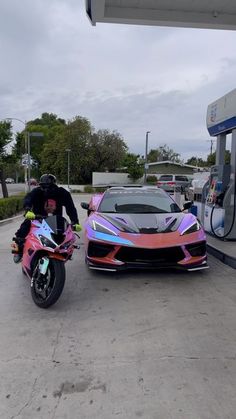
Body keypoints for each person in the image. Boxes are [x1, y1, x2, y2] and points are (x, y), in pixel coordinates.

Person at [12, 174, 81, 263]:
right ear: (40, 185)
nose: (47, 189)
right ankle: (17, 251)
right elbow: (28, 199)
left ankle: (65, 252)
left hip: (56, 221)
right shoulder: (36, 192)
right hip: (37, 219)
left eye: (50, 186)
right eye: (44, 186)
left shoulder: (62, 193)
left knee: (67, 234)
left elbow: (70, 207)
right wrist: (28, 210)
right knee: (21, 231)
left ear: (55, 185)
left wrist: (75, 221)